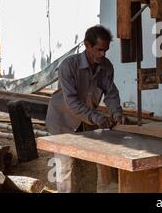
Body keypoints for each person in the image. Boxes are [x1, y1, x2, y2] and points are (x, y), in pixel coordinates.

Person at [46, 25, 126, 192]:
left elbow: (111, 93)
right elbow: (72, 103)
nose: (102, 54)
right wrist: (97, 118)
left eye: (106, 50)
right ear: (87, 45)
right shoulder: (69, 65)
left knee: (88, 169)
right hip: (63, 122)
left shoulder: (106, 66)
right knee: (65, 170)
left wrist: (117, 112)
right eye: (98, 50)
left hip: (87, 122)